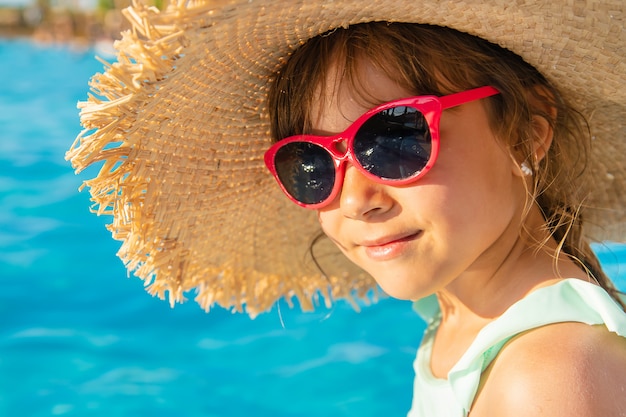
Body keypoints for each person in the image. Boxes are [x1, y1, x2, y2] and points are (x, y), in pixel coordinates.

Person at [67, 1, 626, 415]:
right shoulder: (465, 317)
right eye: (310, 164)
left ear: (528, 133)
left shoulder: (548, 377)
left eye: (396, 137)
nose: (355, 198)